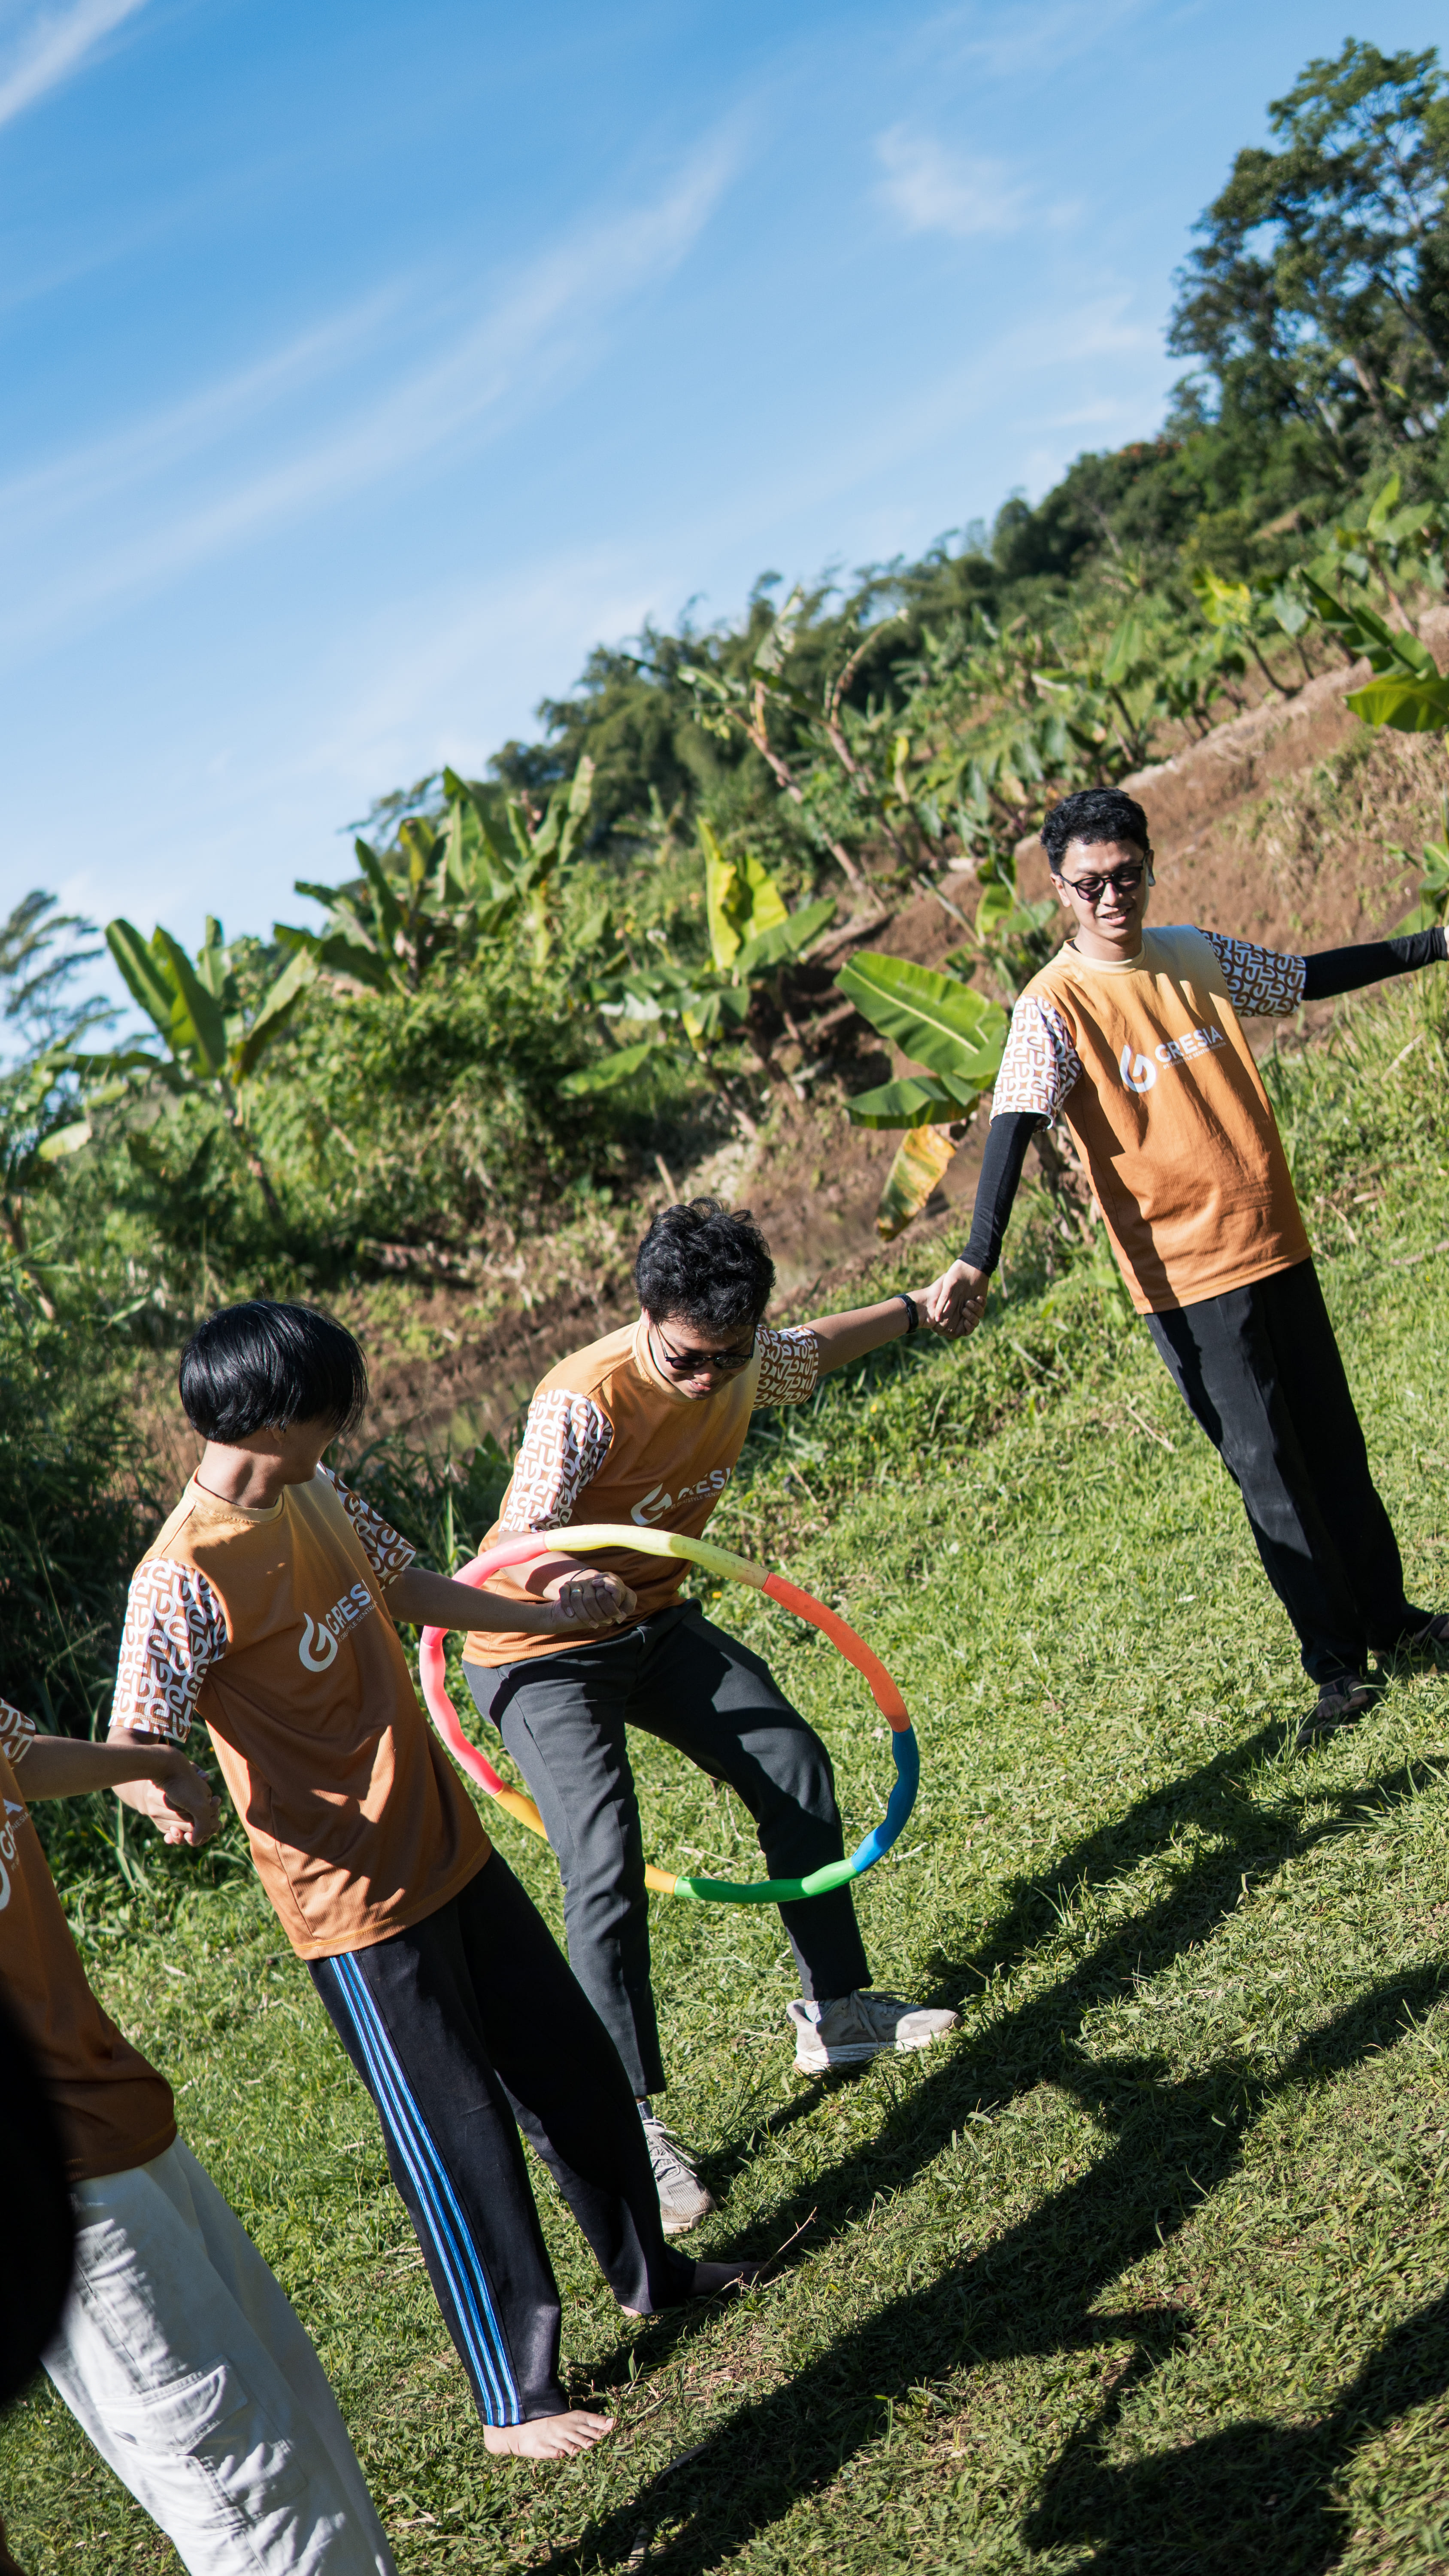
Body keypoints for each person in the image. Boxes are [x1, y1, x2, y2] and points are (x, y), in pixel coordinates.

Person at [107, 1300, 752, 2467]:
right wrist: (167, 1794)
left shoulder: (319, 1493)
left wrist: (535, 1612)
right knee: (459, 2145)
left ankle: (654, 2275)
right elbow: (139, 1736)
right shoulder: (181, 1575)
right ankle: (517, 2396)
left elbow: (407, 1587)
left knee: (571, 2067)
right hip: (354, 1909)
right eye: (331, 1403)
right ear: (276, 1412)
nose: (344, 1419)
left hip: (448, 1844)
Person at [460, 1197, 960, 2236]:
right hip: (539, 1649)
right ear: (650, 1315)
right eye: (689, 1358)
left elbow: (813, 1351)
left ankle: (839, 2013)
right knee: (603, 1858)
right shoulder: (584, 1400)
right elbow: (517, 1536)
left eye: (728, 1357)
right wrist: (567, 1582)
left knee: (793, 1761)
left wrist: (919, 1306)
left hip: (651, 1622)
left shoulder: (743, 1364)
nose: (707, 1378)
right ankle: (626, 2122)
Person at [922, 783, 1449, 1745]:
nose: (1112, 897)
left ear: (1147, 867)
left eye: (1127, 875)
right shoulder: (1052, 1006)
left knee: (1333, 1447)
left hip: (1273, 1242)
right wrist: (976, 1260)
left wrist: (1435, 944)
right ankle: (1334, 1669)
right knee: (1270, 1473)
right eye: (1091, 884)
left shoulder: (1195, 955)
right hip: (1186, 1278)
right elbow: (1013, 1123)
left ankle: (1393, 1622)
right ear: (1059, 889)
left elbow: (1300, 977)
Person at [0, 1693, 399, 2574]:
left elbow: (17, 1756)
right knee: (237, 2470)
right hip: (47, 2171)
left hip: (114, 2104)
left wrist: (144, 1765)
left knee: (283, 2391)